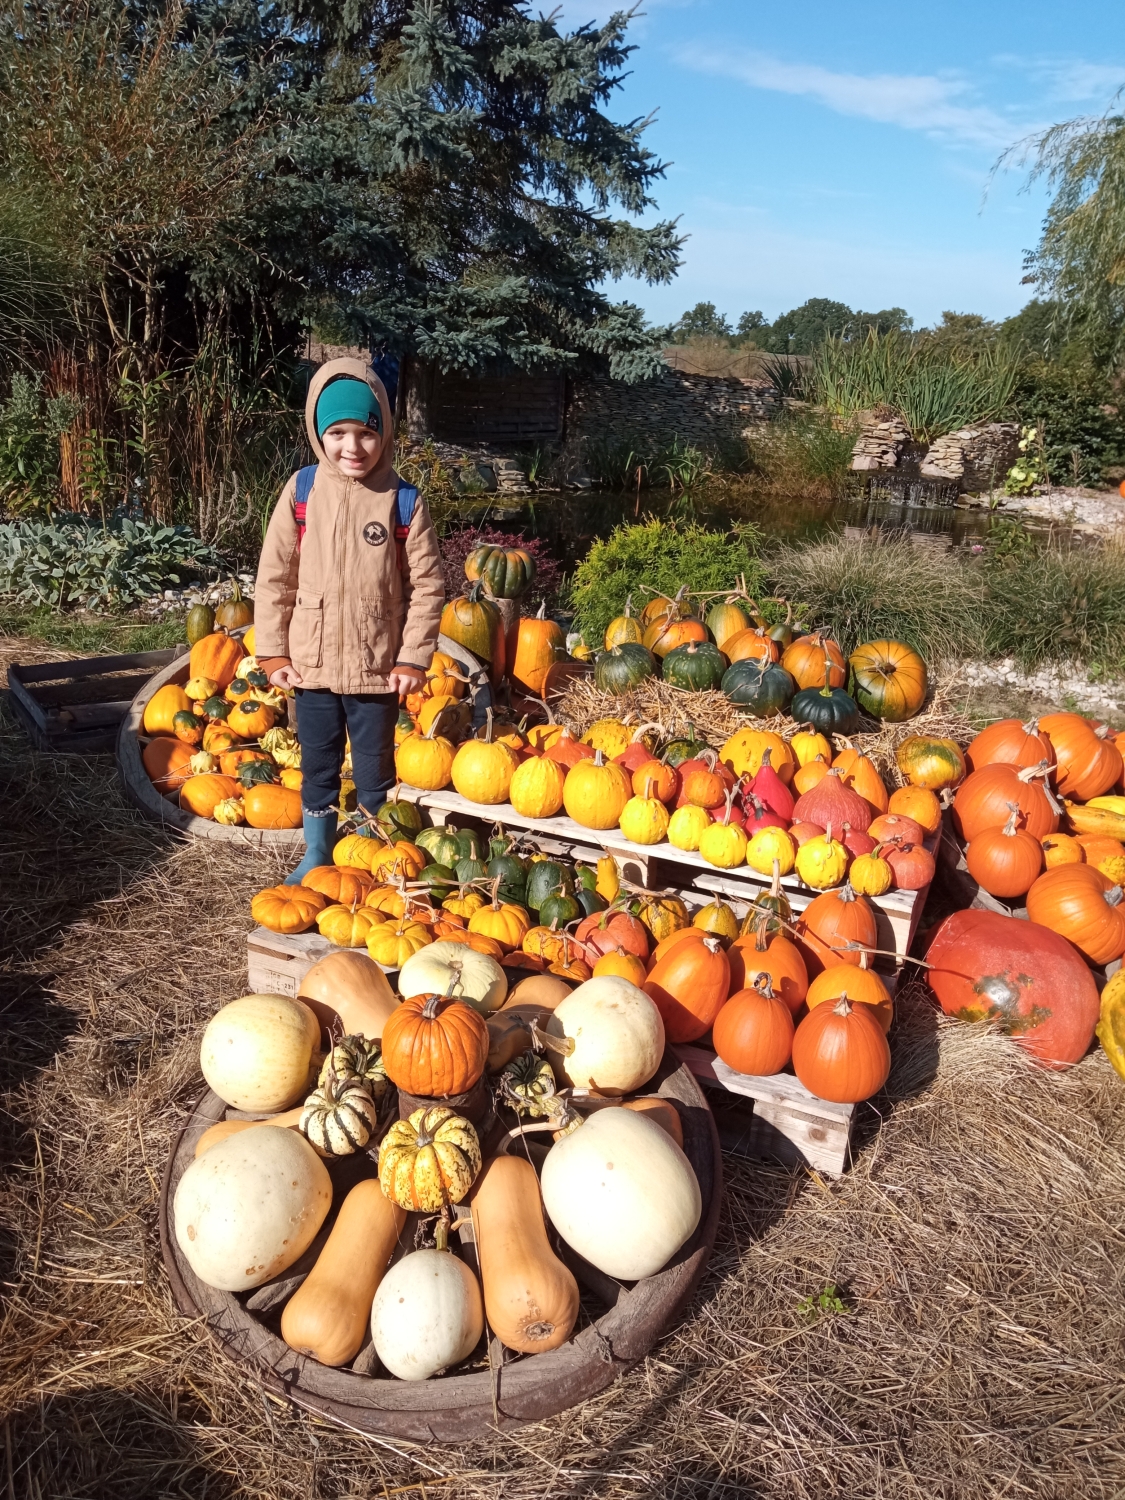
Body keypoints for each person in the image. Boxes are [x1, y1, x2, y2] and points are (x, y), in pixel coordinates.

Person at [255, 357, 444, 880]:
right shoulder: (302, 491)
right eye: (337, 433)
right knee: (317, 763)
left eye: (365, 432)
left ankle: (367, 847)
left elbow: (427, 587)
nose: (352, 447)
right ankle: (317, 850)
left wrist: (412, 658)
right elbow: (275, 578)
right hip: (310, 665)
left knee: (373, 767)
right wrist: (273, 652)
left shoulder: (402, 501)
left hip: (376, 667)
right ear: (319, 434)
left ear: (384, 431)